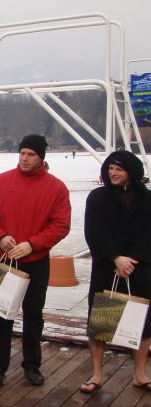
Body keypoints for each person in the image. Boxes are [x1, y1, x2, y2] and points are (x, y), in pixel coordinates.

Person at [0, 134, 71, 388]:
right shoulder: (1, 181)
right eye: (22, 153)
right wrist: (0, 236)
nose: (24, 158)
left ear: (41, 157)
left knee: (33, 315)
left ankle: (32, 365)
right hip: (4, 258)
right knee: (1, 315)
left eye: (30, 154)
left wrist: (33, 244)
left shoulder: (56, 187)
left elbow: (61, 225)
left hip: (36, 260)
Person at [82, 150, 151, 393]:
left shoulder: (147, 199)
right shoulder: (98, 198)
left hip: (140, 268)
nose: (113, 172)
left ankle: (140, 374)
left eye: (119, 169)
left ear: (131, 173)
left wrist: (133, 260)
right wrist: (115, 257)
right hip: (107, 267)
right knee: (101, 322)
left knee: (143, 323)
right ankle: (97, 374)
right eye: (110, 168)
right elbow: (94, 230)